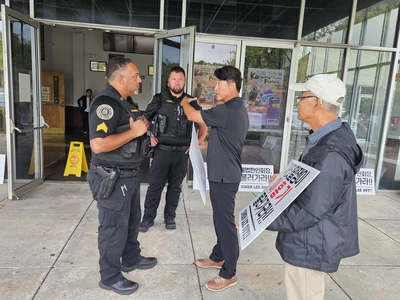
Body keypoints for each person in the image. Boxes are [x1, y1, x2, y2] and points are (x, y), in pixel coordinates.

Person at [266, 74, 364, 300]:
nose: (298, 102)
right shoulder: (323, 139)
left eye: (302, 97)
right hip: (308, 239)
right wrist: (289, 179)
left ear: (317, 101)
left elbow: (311, 209)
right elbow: (316, 184)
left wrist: (260, 220)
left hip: (312, 242)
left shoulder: (331, 152)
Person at [87, 57, 157, 295]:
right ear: (121, 78)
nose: (140, 80)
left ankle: (130, 258)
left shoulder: (126, 102)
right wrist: (135, 131)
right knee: (113, 227)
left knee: (130, 221)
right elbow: (98, 144)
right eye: (136, 75)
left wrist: (143, 135)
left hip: (128, 175)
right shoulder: (105, 104)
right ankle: (110, 276)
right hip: (111, 178)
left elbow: (129, 132)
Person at [181, 66, 249, 292]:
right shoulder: (236, 110)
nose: (215, 87)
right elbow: (229, 140)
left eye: (219, 83)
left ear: (231, 85)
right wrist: (208, 144)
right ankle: (218, 256)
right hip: (225, 173)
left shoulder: (227, 110)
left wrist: (183, 100)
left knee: (225, 223)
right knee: (220, 219)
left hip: (225, 176)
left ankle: (229, 272)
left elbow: (191, 114)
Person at [139, 66, 207, 232]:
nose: (177, 82)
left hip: (182, 153)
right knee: (155, 187)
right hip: (162, 151)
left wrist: (197, 142)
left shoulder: (191, 101)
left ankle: (170, 218)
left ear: (185, 81)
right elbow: (144, 120)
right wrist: (147, 137)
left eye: (180, 79)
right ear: (168, 81)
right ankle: (147, 219)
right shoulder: (159, 99)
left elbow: (202, 123)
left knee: (175, 188)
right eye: (174, 79)